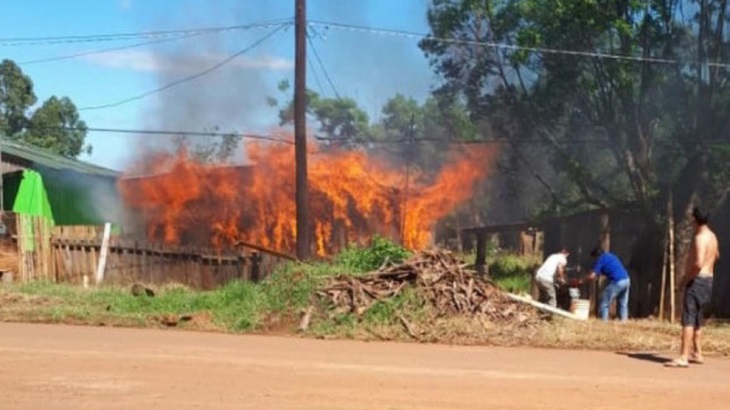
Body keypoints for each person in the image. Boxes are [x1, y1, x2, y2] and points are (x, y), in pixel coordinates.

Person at [665, 206, 719, 368]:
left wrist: (685, 279)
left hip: (698, 280)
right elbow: (717, 255)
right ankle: (698, 352)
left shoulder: (700, 238)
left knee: (688, 317)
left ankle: (683, 356)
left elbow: (698, 263)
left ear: (695, 220)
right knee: (697, 317)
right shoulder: (713, 237)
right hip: (709, 279)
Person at [584, 246, 630, 321]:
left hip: (618, 281)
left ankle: (604, 322)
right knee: (623, 303)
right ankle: (624, 321)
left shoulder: (600, 259)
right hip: (626, 279)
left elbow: (592, 276)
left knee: (604, 303)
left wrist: (582, 280)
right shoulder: (611, 255)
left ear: (596, 255)